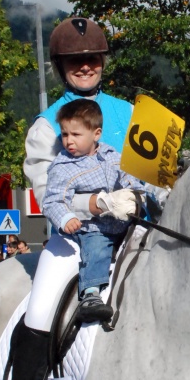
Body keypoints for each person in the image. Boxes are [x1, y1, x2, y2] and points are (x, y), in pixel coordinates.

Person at [8, 16, 136, 380]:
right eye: (75, 61)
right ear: (61, 67)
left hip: (135, 231)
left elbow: (153, 172)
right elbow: (47, 192)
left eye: (92, 59)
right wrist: (100, 202)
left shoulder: (130, 111)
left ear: (102, 62)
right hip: (73, 237)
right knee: (40, 312)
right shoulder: (47, 126)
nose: (85, 67)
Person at [42, 99, 142, 320]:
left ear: (96, 134)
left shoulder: (111, 154)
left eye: (76, 135)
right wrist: (66, 217)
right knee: (97, 247)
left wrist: (134, 190)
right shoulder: (62, 167)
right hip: (92, 227)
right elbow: (52, 201)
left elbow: (127, 174)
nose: (69, 141)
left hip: (122, 223)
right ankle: (90, 294)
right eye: (65, 134)